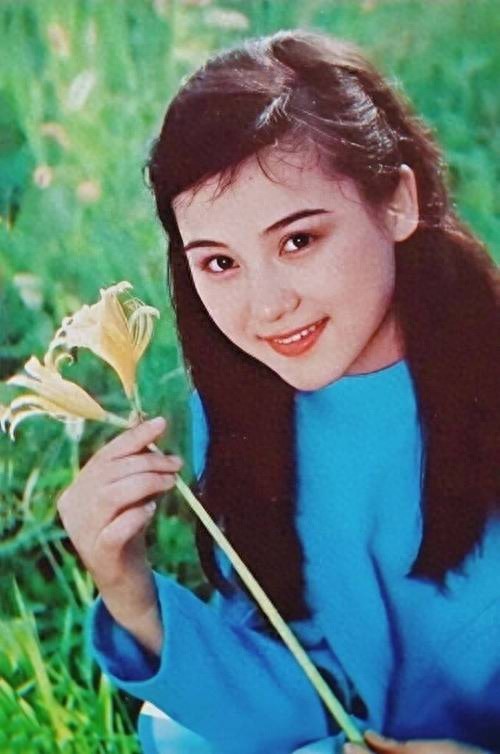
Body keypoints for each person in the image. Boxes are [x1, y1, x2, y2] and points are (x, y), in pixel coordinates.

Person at [56, 29, 499, 754]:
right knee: (181, 734)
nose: (266, 307)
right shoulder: (243, 412)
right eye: (219, 262)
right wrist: (128, 590)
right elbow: (302, 683)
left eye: (298, 241)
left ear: (397, 202)